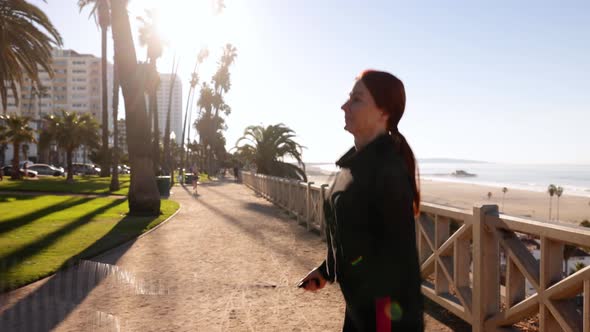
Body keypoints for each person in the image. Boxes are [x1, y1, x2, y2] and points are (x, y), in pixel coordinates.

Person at [298, 70, 423, 331]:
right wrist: (326, 270)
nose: (344, 106)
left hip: (381, 321)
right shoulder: (351, 166)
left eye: (357, 99)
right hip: (358, 310)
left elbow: (399, 269)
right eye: (348, 98)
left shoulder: (387, 172)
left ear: (383, 112)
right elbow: (354, 234)